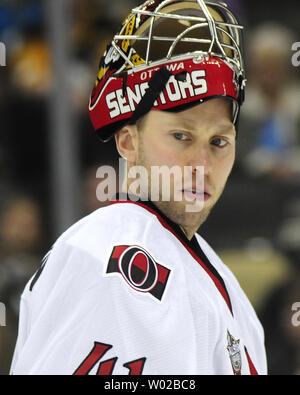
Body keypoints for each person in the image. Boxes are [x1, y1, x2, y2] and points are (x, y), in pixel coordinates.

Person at [10, 0, 267, 375]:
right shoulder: (106, 255)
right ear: (127, 142)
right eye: (181, 136)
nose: (202, 165)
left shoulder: (224, 282)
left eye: (219, 142)